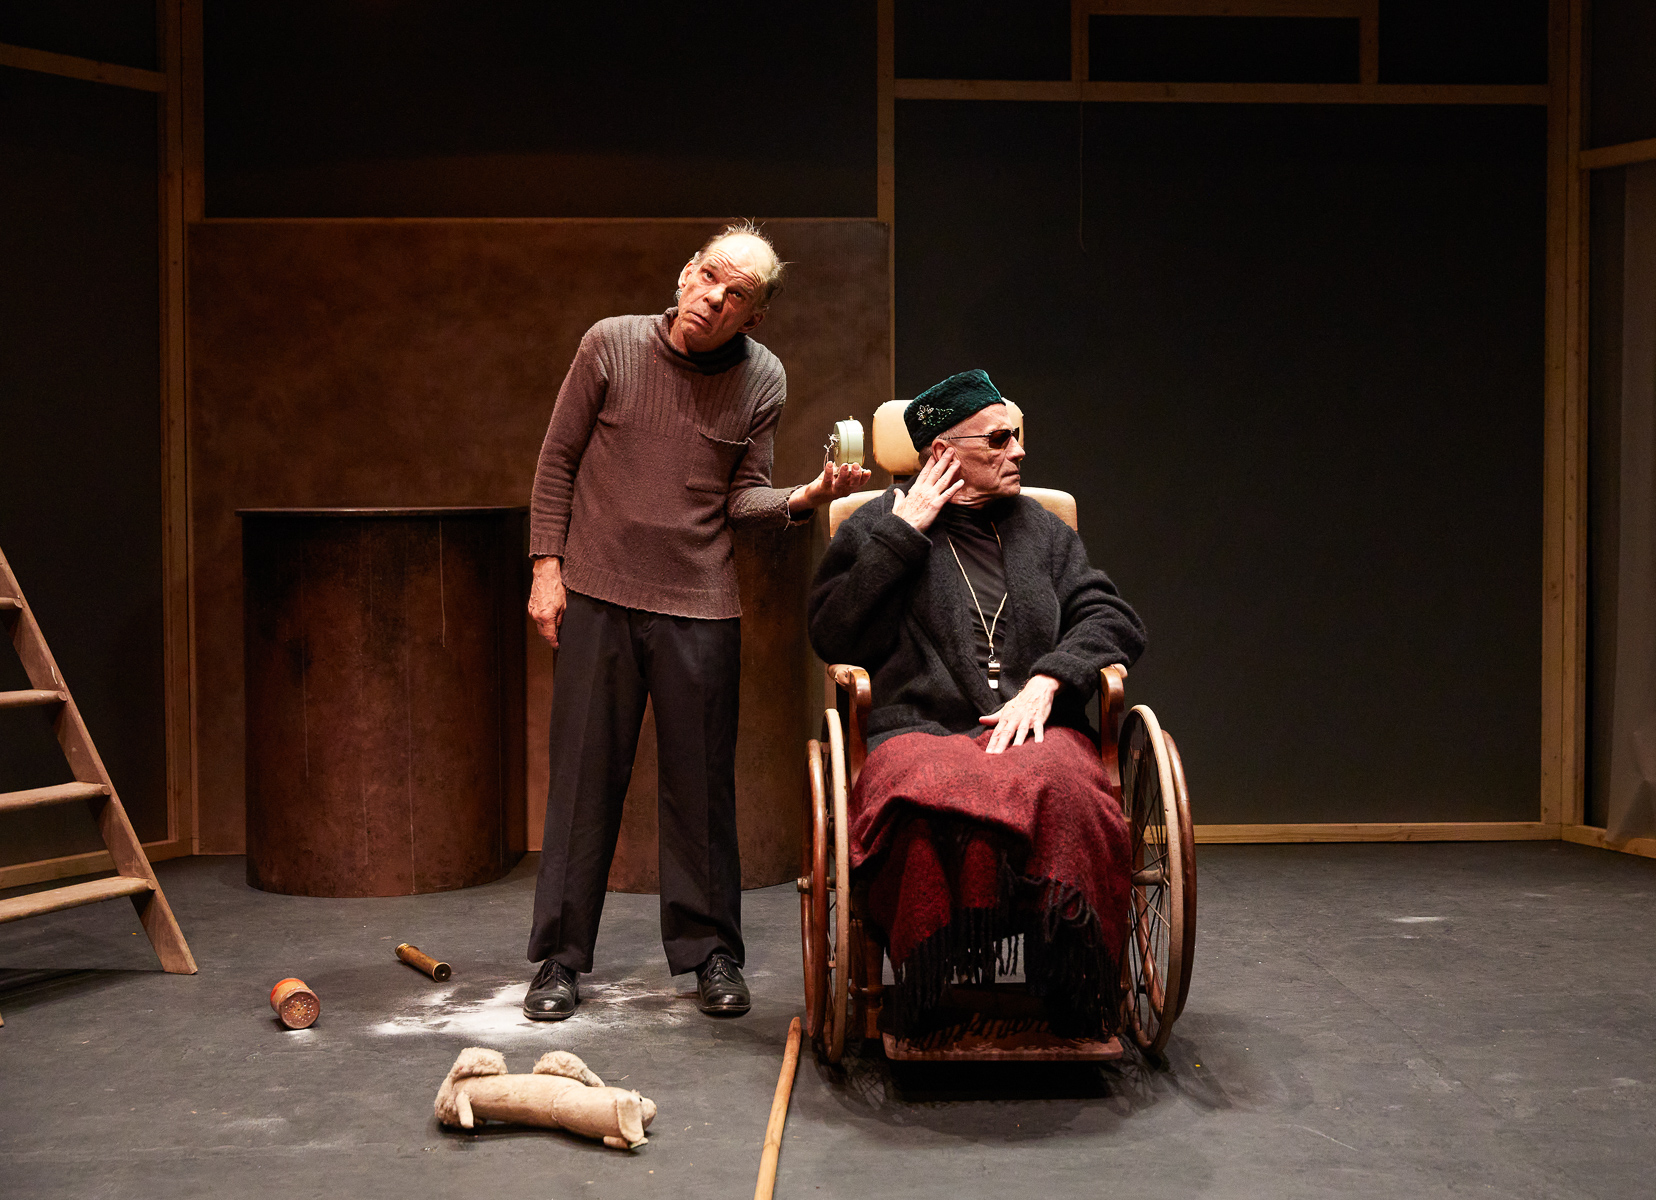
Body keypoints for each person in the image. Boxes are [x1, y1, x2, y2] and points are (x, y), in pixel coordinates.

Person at [524, 222, 869, 1021]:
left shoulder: (762, 378)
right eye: (710, 277)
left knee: (702, 790)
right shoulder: (610, 345)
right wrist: (547, 568)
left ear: (753, 316)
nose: (715, 298)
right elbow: (557, 460)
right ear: (686, 273)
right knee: (582, 783)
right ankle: (559, 960)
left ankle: (712, 952)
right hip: (600, 593)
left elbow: (741, 499)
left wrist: (804, 497)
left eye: (736, 294)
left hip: (701, 603)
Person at [807, 368, 1146, 1037]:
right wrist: (901, 536)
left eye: (1016, 436)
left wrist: (1051, 680)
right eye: (998, 440)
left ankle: (1068, 980)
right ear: (942, 452)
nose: (1018, 451)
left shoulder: (1043, 532)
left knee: (1071, 787)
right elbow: (834, 635)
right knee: (919, 793)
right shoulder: (876, 524)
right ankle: (933, 977)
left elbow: (1112, 617)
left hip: (1034, 730)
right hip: (920, 728)